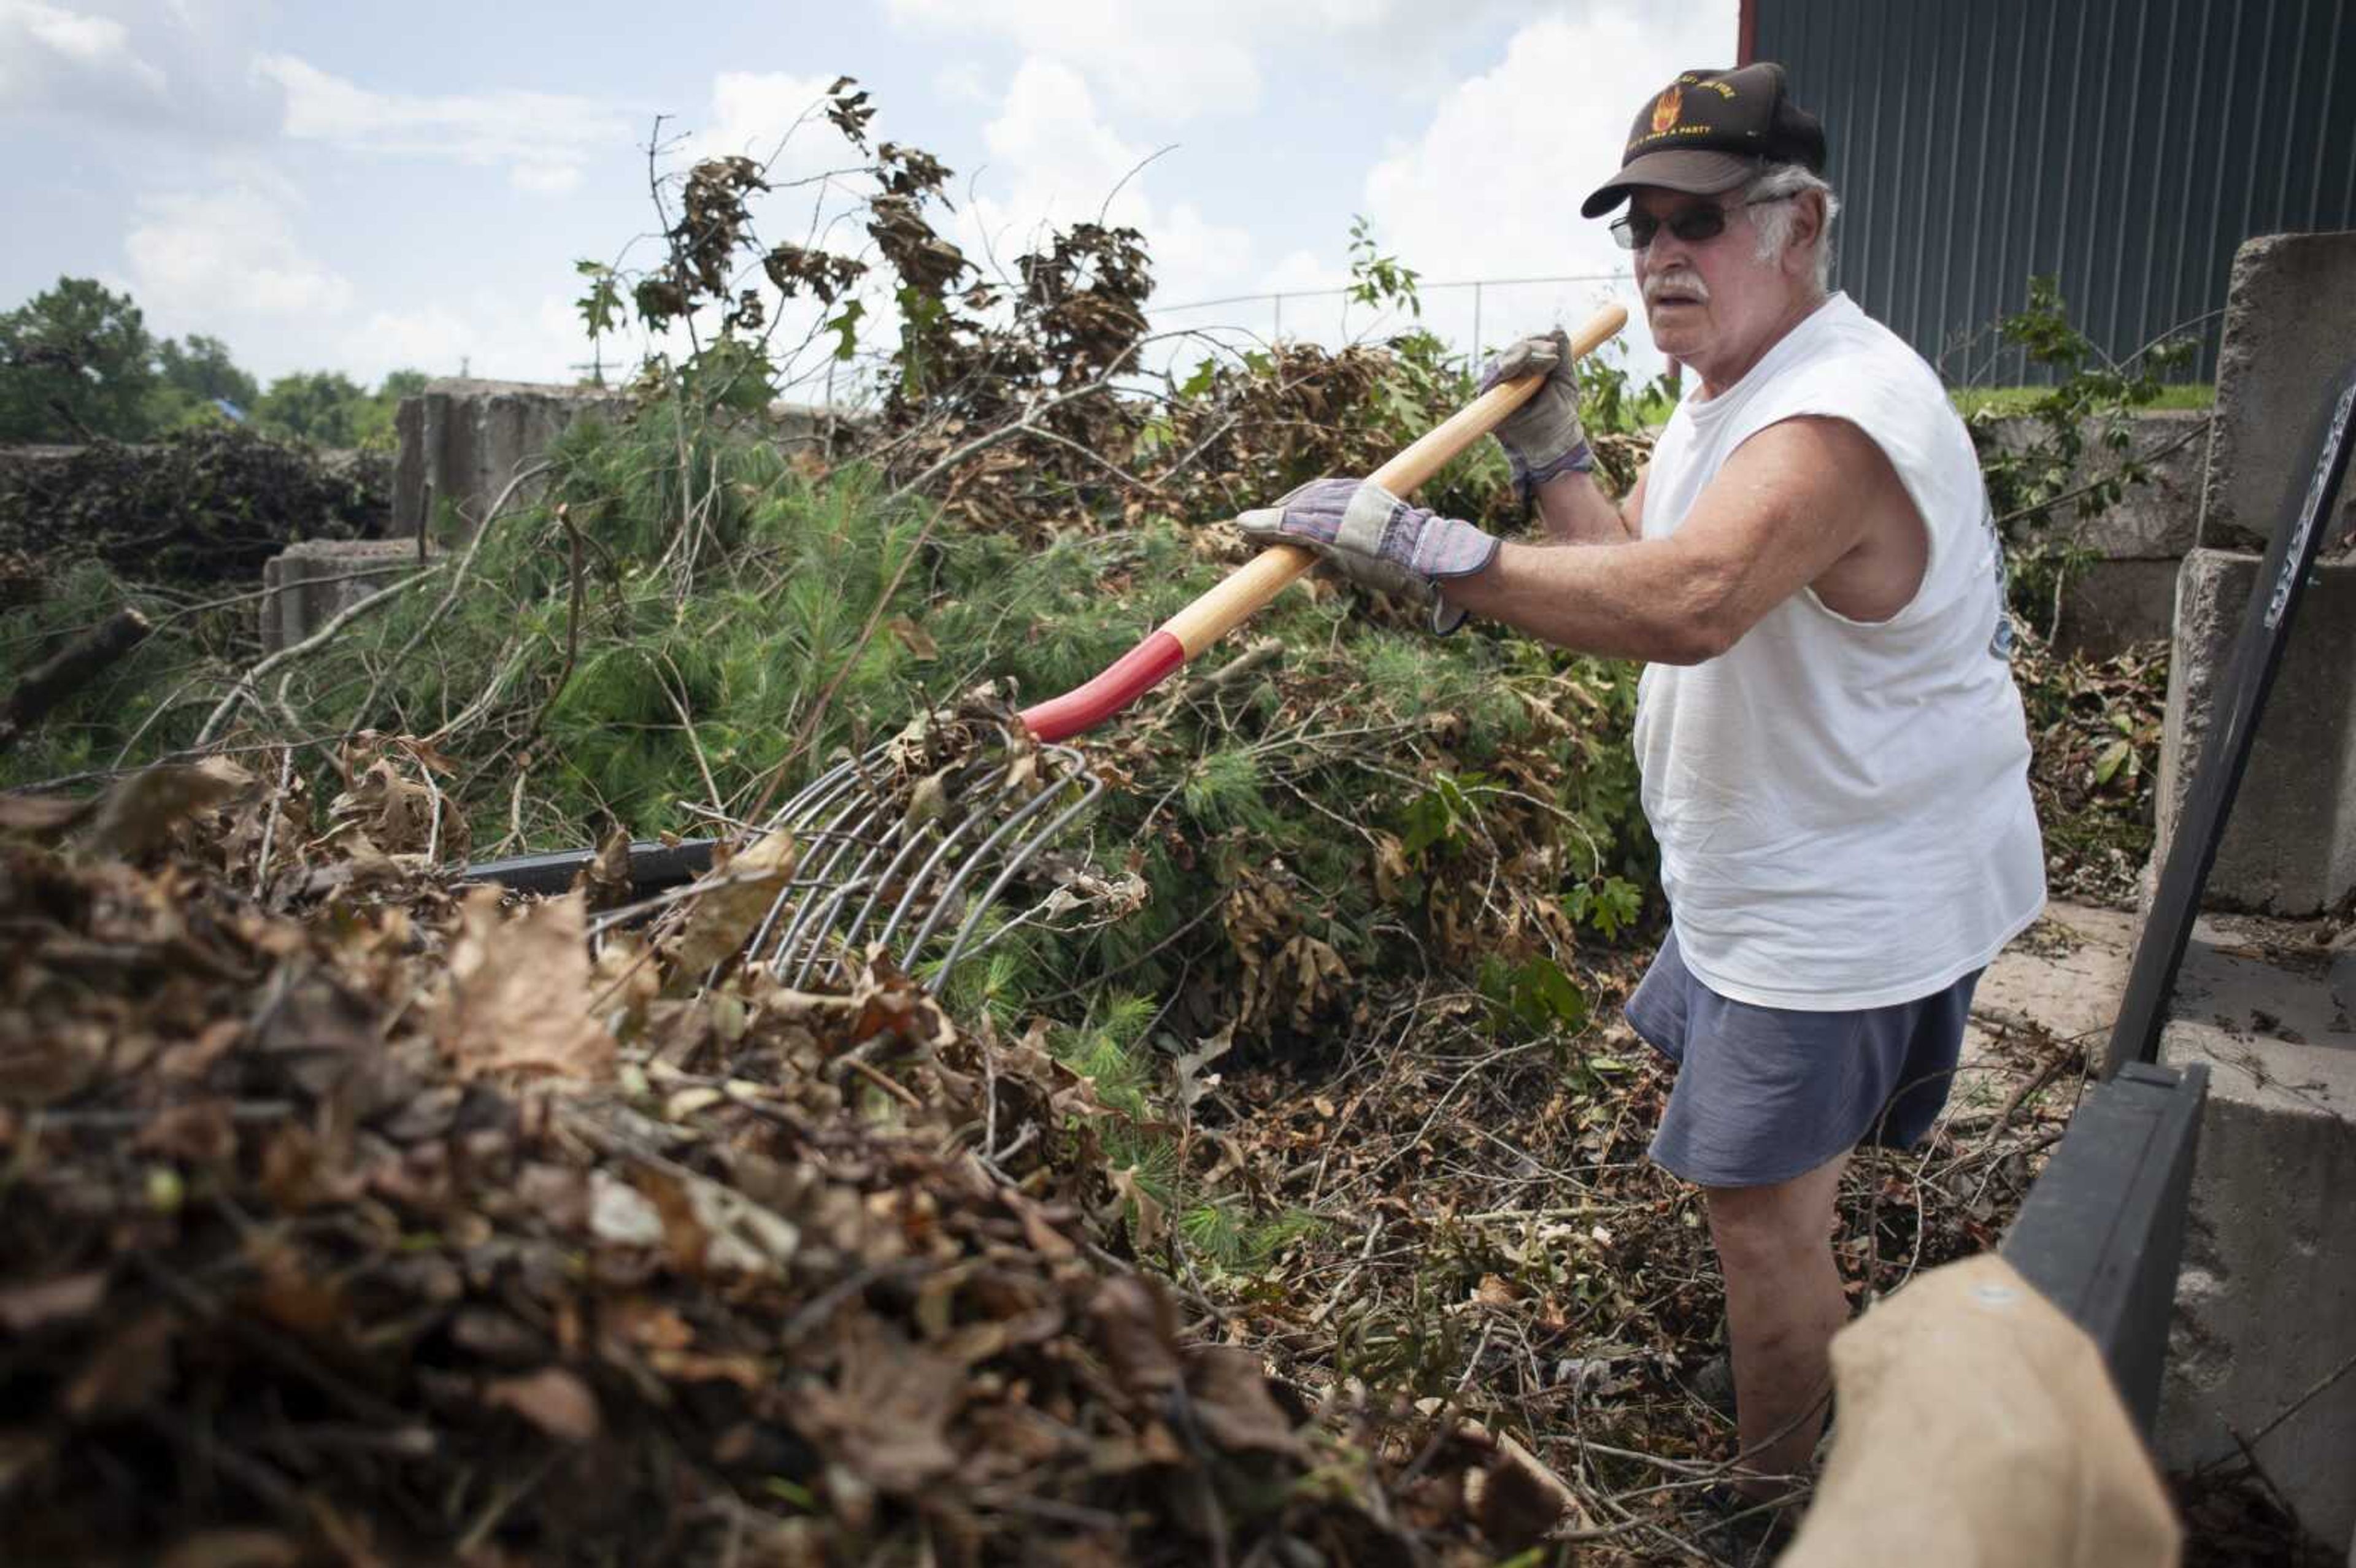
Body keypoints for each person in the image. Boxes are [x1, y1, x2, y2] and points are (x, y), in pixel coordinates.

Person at [1238, 61, 2046, 1515]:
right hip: (1772, 858)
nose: (1665, 256)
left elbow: (1689, 605)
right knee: (1780, 1194)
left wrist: (1429, 551)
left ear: (1799, 228)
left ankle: (1775, 1507)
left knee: (1758, 1227)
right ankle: (1813, 1367)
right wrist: (1555, 458)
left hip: (1844, 896)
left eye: (1704, 221)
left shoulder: (1838, 417)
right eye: (1642, 227)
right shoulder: (1734, 388)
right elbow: (1633, 570)